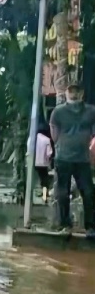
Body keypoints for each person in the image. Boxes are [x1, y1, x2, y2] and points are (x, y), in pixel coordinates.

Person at [48, 84, 95, 235]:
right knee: (73, 192)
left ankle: (80, 226)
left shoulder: (89, 111)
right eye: (72, 92)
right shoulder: (61, 111)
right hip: (72, 158)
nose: (74, 95)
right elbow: (53, 131)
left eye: (76, 92)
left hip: (74, 157)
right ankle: (75, 225)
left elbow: (54, 132)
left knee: (79, 191)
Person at [34, 125, 54, 204]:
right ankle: (45, 196)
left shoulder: (32, 139)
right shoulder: (46, 140)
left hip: (33, 163)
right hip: (43, 163)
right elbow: (49, 153)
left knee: (34, 179)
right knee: (44, 180)